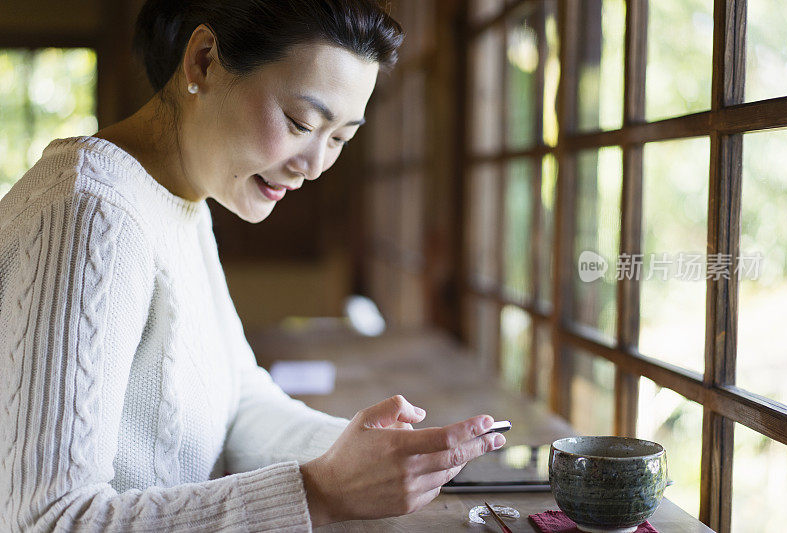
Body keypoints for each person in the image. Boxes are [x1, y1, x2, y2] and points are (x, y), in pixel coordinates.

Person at [0, 1, 506, 531]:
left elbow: (237, 399)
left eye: (339, 138)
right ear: (203, 61)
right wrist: (318, 493)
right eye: (300, 122)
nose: (313, 166)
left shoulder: (180, 198)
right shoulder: (88, 214)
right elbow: (46, 519)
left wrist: (360, 453)